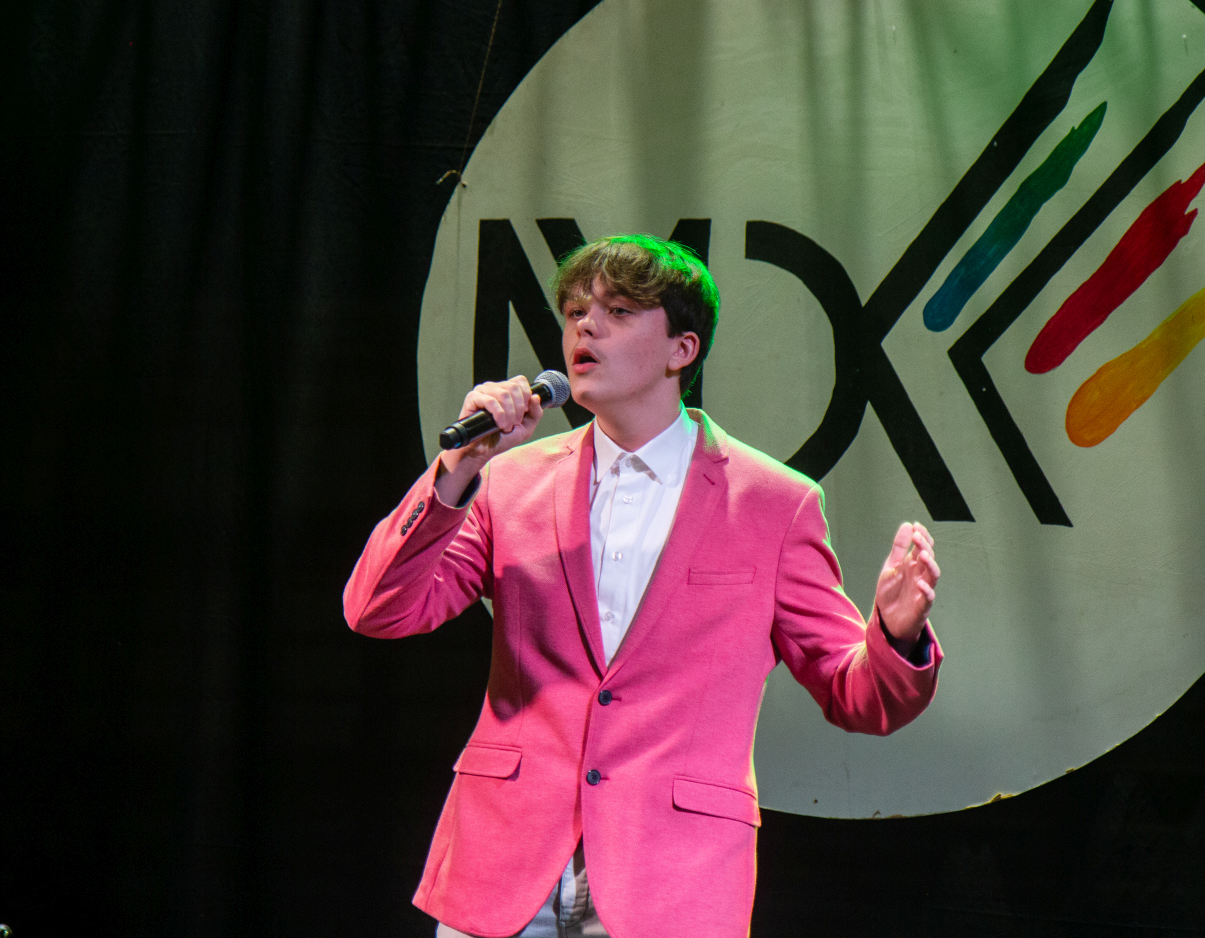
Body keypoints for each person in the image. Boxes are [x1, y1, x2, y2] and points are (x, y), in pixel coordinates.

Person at [344, 235, 942, 938]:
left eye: (619, 311)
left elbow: (858, 695)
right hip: (504, 862)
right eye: (575, 312)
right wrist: (456, 472)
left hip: (670, 879)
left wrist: (896, 635)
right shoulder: (507, 484)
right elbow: (380, 609)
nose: (586, 328)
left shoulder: (774, 504)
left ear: (681, 349)